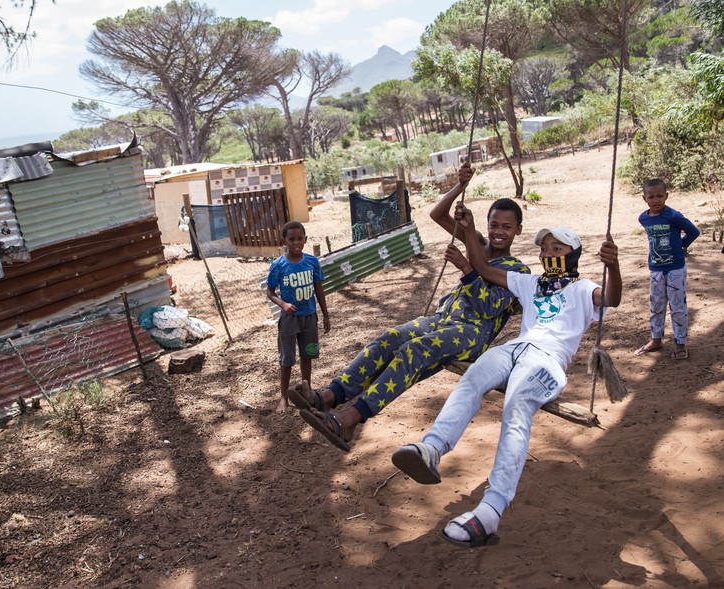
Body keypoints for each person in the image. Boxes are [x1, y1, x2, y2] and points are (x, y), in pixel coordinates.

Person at [391, 202, 622, 548]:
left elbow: (613, 298)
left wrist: (613, 266)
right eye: (544, 248)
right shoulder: (530, 282)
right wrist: (469, 229)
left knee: (516, 406)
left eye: (557, 249)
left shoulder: (582, 289)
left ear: (573, 255)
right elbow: (483, 267)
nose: (548, 253)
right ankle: (432, 449)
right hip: (515, 348)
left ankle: (491, 510)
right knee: (472, 378)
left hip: (547, 361)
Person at [292, 162, 529, 451]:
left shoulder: (517, 270)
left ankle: (350, 420)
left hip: (472, 333)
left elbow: (488, 308)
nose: (499, 232)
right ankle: (328, 396)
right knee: (390, 338)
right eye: (494, 224)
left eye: (507, 227)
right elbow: (437, 214)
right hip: (444, 319)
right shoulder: (476, 241)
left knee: (414, 351)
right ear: (486, 224)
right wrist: (460, 187)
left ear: (518, 229)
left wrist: (466, 268)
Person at [267, 221, 331, 413]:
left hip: (309, 316)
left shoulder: (312, 262)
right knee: (287, 359)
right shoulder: (279, 265)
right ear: (284, 241)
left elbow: (319, 289)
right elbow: (270, 293)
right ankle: (284, 397)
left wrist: (325, 314)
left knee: (307, 355)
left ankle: (307, 391)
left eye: (299, 239)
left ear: (305, 239)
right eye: (291, 239)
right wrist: (283, 304)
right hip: (289, 319)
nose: (296, 243)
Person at [633, 179, 700, 360]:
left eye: (660, 196)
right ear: (644, 198)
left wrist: (680, 246)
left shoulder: (673, 216)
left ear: (666, 196)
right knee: (656, 304)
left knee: (677, 306)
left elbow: (694, 231)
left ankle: (680, 343)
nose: (656, 200)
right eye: (651, 197)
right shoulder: (643, 218)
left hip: (675, 268)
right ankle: (656, 339)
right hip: (656, 268)